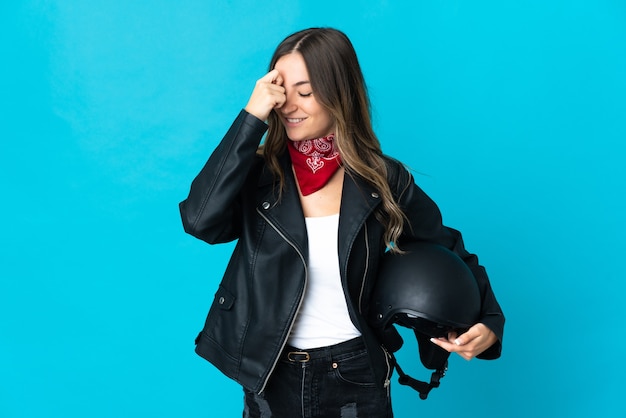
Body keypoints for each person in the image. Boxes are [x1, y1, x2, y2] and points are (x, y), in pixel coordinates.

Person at [179, 27, 504, 418]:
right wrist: (251, 118)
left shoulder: (382, 178)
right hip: (270, 371)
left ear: (339, 92)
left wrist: (489, 322)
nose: (289, 106)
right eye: (282, 90)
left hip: (354, 372)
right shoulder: (257, 172)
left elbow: (447, 247)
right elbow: (199, 220)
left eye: (306, 91)